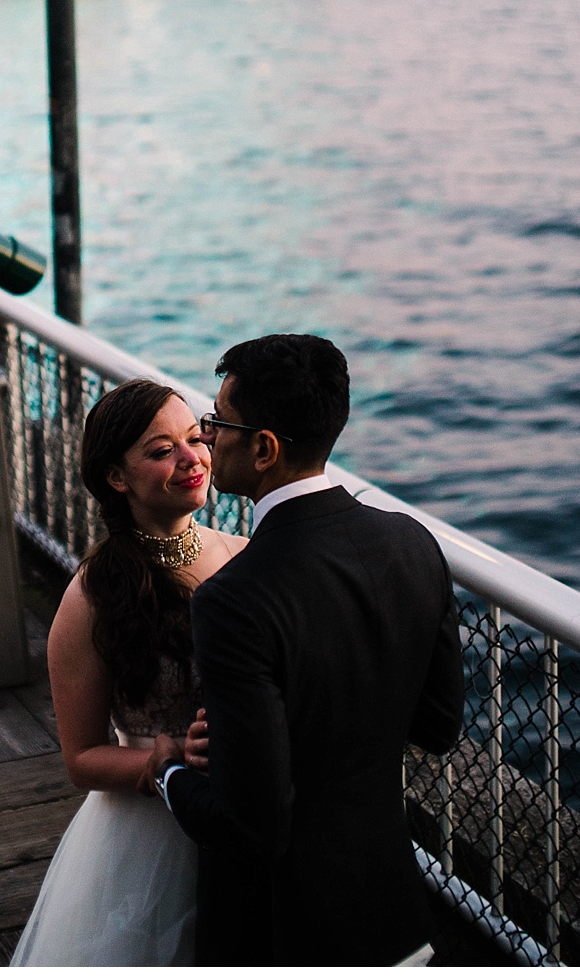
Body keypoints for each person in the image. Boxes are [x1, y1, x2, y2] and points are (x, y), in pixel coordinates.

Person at [146, 333, 465, 968]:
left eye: (218, 422)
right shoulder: (412, 543)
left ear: (263, 448)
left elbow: (253, 827)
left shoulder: (234, 599)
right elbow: (438, 725)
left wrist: (168, 771)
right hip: (395, 915)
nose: (207, 437)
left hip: (285, 931)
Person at [10, 377, 248, 967]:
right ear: (117, 477)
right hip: (152, 833)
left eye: (196, 439)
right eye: (161, 450)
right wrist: (162, 760)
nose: (192, 459)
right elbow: (81, 757)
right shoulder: (91, 598)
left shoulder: (246, 555)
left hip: (248, 816)